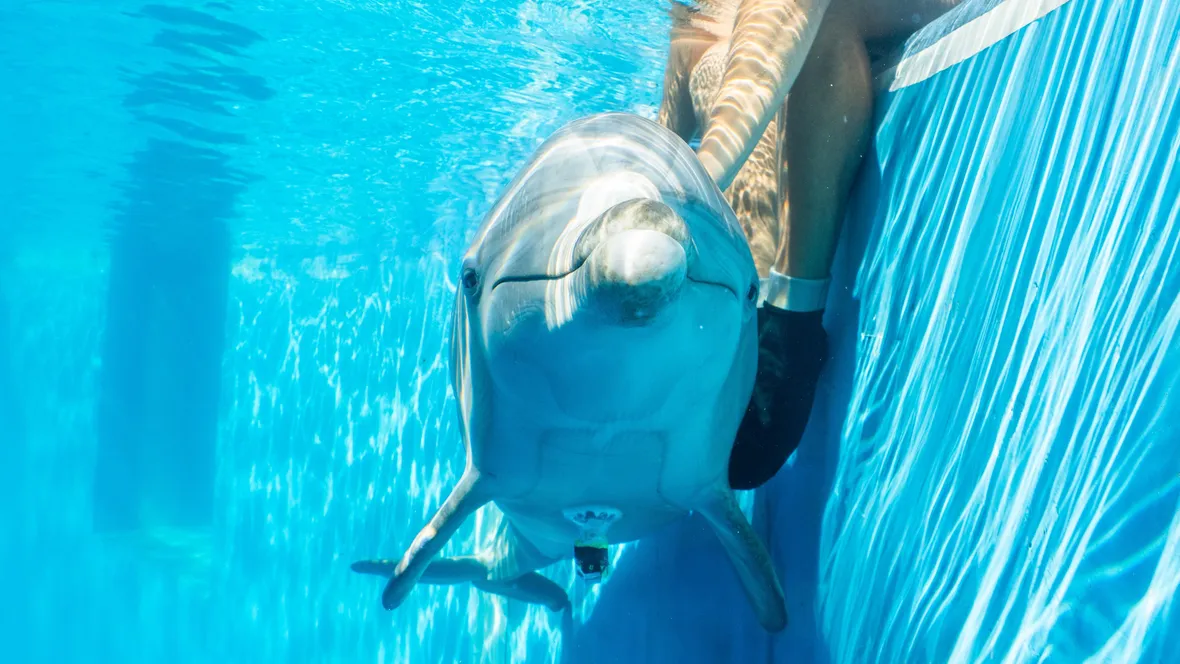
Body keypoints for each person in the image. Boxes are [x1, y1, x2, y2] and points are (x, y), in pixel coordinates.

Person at [657, 0, 960, 489]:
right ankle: (736, 300)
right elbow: (665, 134)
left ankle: (793, 318)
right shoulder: (697, 21)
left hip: (774, 310)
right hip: (731, 307)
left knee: (823, 15)